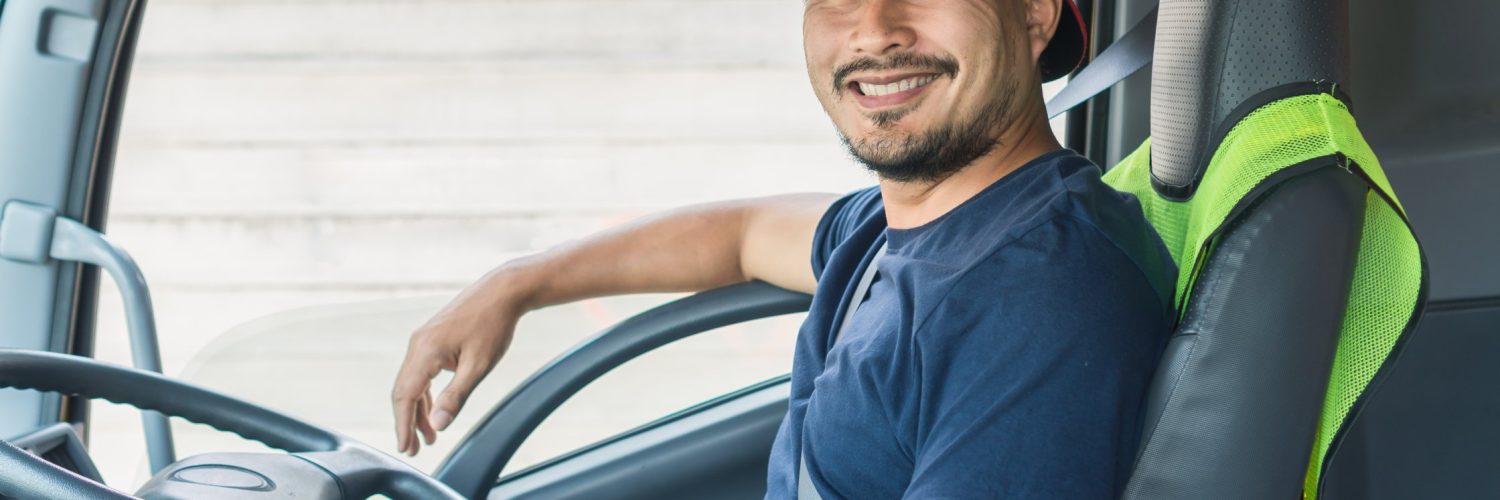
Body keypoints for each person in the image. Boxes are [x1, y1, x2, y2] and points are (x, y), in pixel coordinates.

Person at [391, 0, 1176, 497]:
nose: (873, 28)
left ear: (1036, 14)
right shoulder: (905, 228)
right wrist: (516, 284)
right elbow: (742, 233)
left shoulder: (1034, 301)